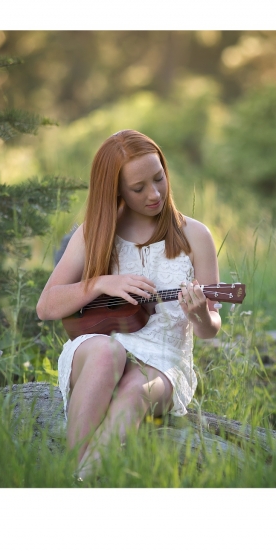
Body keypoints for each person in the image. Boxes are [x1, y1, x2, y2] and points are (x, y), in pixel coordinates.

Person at [36, 129, 221, 481]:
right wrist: (103, 282)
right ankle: (80, 472)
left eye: (159, 178)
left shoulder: (195, 235)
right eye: (138, 188)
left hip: (164, 360)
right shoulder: (95, 232)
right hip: (99, 348)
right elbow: (46, 307)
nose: (154, 194)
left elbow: (210, 328)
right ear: (116, 190)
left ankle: (79, 477)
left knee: (137, 388)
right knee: (110, 354)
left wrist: (200, 315)